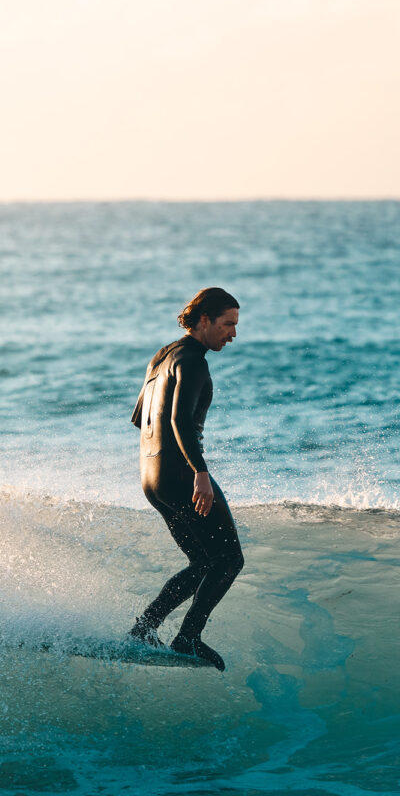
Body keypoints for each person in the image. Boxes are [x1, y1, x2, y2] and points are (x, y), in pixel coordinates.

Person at [128, 287, 244, 671]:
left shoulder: (163, 356)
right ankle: (188, 637)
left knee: (203, 563)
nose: (233, 334)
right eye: (227, 324)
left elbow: (139, 416)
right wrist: (200, 474)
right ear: (205, 319)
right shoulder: (194, 361)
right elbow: (179, 420)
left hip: (152, 476)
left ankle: (144, 629)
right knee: (228, 559)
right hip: (179, 473)